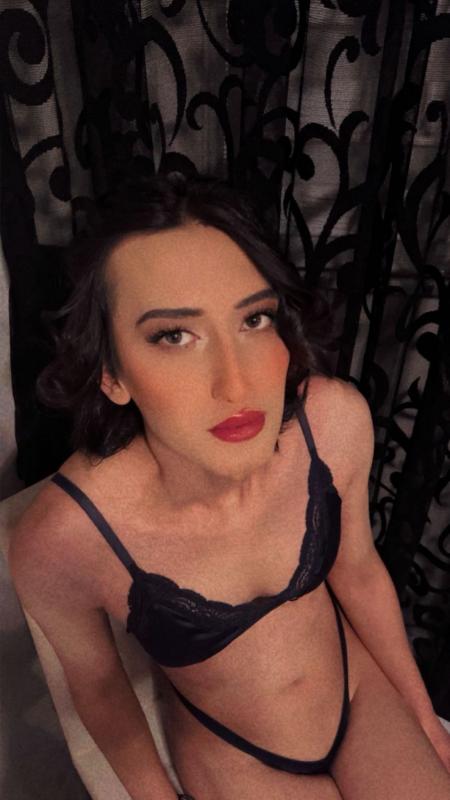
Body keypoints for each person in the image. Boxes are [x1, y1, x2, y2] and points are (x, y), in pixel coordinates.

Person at [8, 174, 450, 800]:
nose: (237, 384)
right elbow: (99, 689)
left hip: (359, 697)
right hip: (236, 753)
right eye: (174, 336)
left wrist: (424, 719)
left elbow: (358, 570)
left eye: (254, 319)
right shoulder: (62, 539)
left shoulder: (331, 423)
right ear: (111, 374)